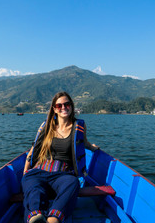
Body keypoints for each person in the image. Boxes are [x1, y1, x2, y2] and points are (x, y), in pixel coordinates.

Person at [22, 92, 99, 223]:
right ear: (54, 109)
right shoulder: (46, 127)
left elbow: (83, 142)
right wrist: (25, 171)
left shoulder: (78, 126)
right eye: (59, 105)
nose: (63, 107)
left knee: (72, 183)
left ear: (71, 106)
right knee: (34, 189)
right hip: (39, 171)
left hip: (63, 174)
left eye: (67, 104)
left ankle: (54, 218)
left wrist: (92, 147)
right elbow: (32, 150)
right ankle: (36, 216)